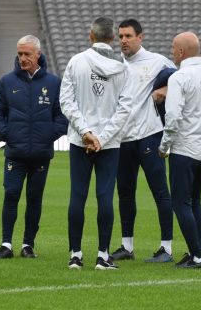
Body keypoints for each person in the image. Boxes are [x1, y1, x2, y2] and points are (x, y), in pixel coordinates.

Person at [60, 17, 133, 270]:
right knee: (105, 197)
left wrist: (86, 132)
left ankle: (75, 255)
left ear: (91, 35)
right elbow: (124, 111)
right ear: (113, 38)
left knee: (77, 196)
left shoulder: (76, 62)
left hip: (81, 141)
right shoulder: (123, 69)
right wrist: (101, 137)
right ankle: (103, 255)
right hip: (109, 144)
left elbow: (66, 103)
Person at [0, 35, 68, 259]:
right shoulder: (7, 82)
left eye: (27, 54)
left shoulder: (53, 83)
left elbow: (62, 116)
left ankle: (27, 245)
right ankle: (6, 244)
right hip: (15, 153)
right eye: (20, 54)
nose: (23, 58)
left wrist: (47, 137)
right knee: (11, 194)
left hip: (41, 154)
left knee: (34, 198)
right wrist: (8, 135)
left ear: (38, 55)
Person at [110, 19, 176, 263]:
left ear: (140, 37)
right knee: (125, 193)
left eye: (128, 36)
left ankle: (166, 248)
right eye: (120, 36)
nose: (124, 40)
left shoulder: (157, 61)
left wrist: (166, 90)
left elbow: (183, 80)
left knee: (160, 191)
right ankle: (127, 247)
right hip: (123, 139)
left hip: (149, 135)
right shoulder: (114, 65)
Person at [158, 32, 201, 269]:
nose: (172, 51)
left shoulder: (179, 77)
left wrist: (164, 145)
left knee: (180, 203)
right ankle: (193, 250)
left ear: (181, 52)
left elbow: (173, 116)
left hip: (184, 149)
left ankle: (197, 257)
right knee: (195, 200)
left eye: (173, 47)